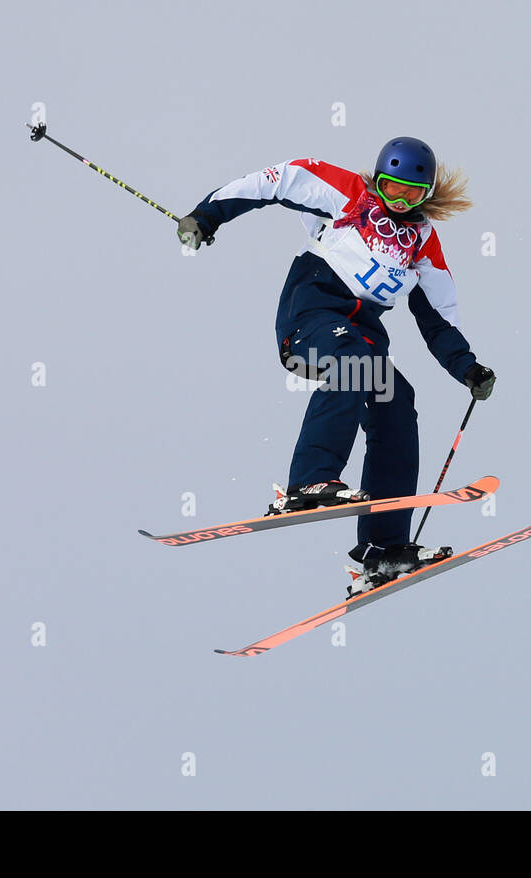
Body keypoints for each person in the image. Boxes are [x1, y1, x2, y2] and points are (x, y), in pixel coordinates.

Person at [176, 138, 495, 593]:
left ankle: (383, 550)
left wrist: (467, 367)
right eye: (392, 188)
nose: (400, 201)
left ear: (427, 194)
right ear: (376, 180)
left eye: (412, 194)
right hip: (311, 319)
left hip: (362, 339)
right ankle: (309, 481)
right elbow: (276, 180)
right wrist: (206, 216)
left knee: (397, 400)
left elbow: (437, 317)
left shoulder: (422, 243)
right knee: (358, 361)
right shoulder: (346, 194)